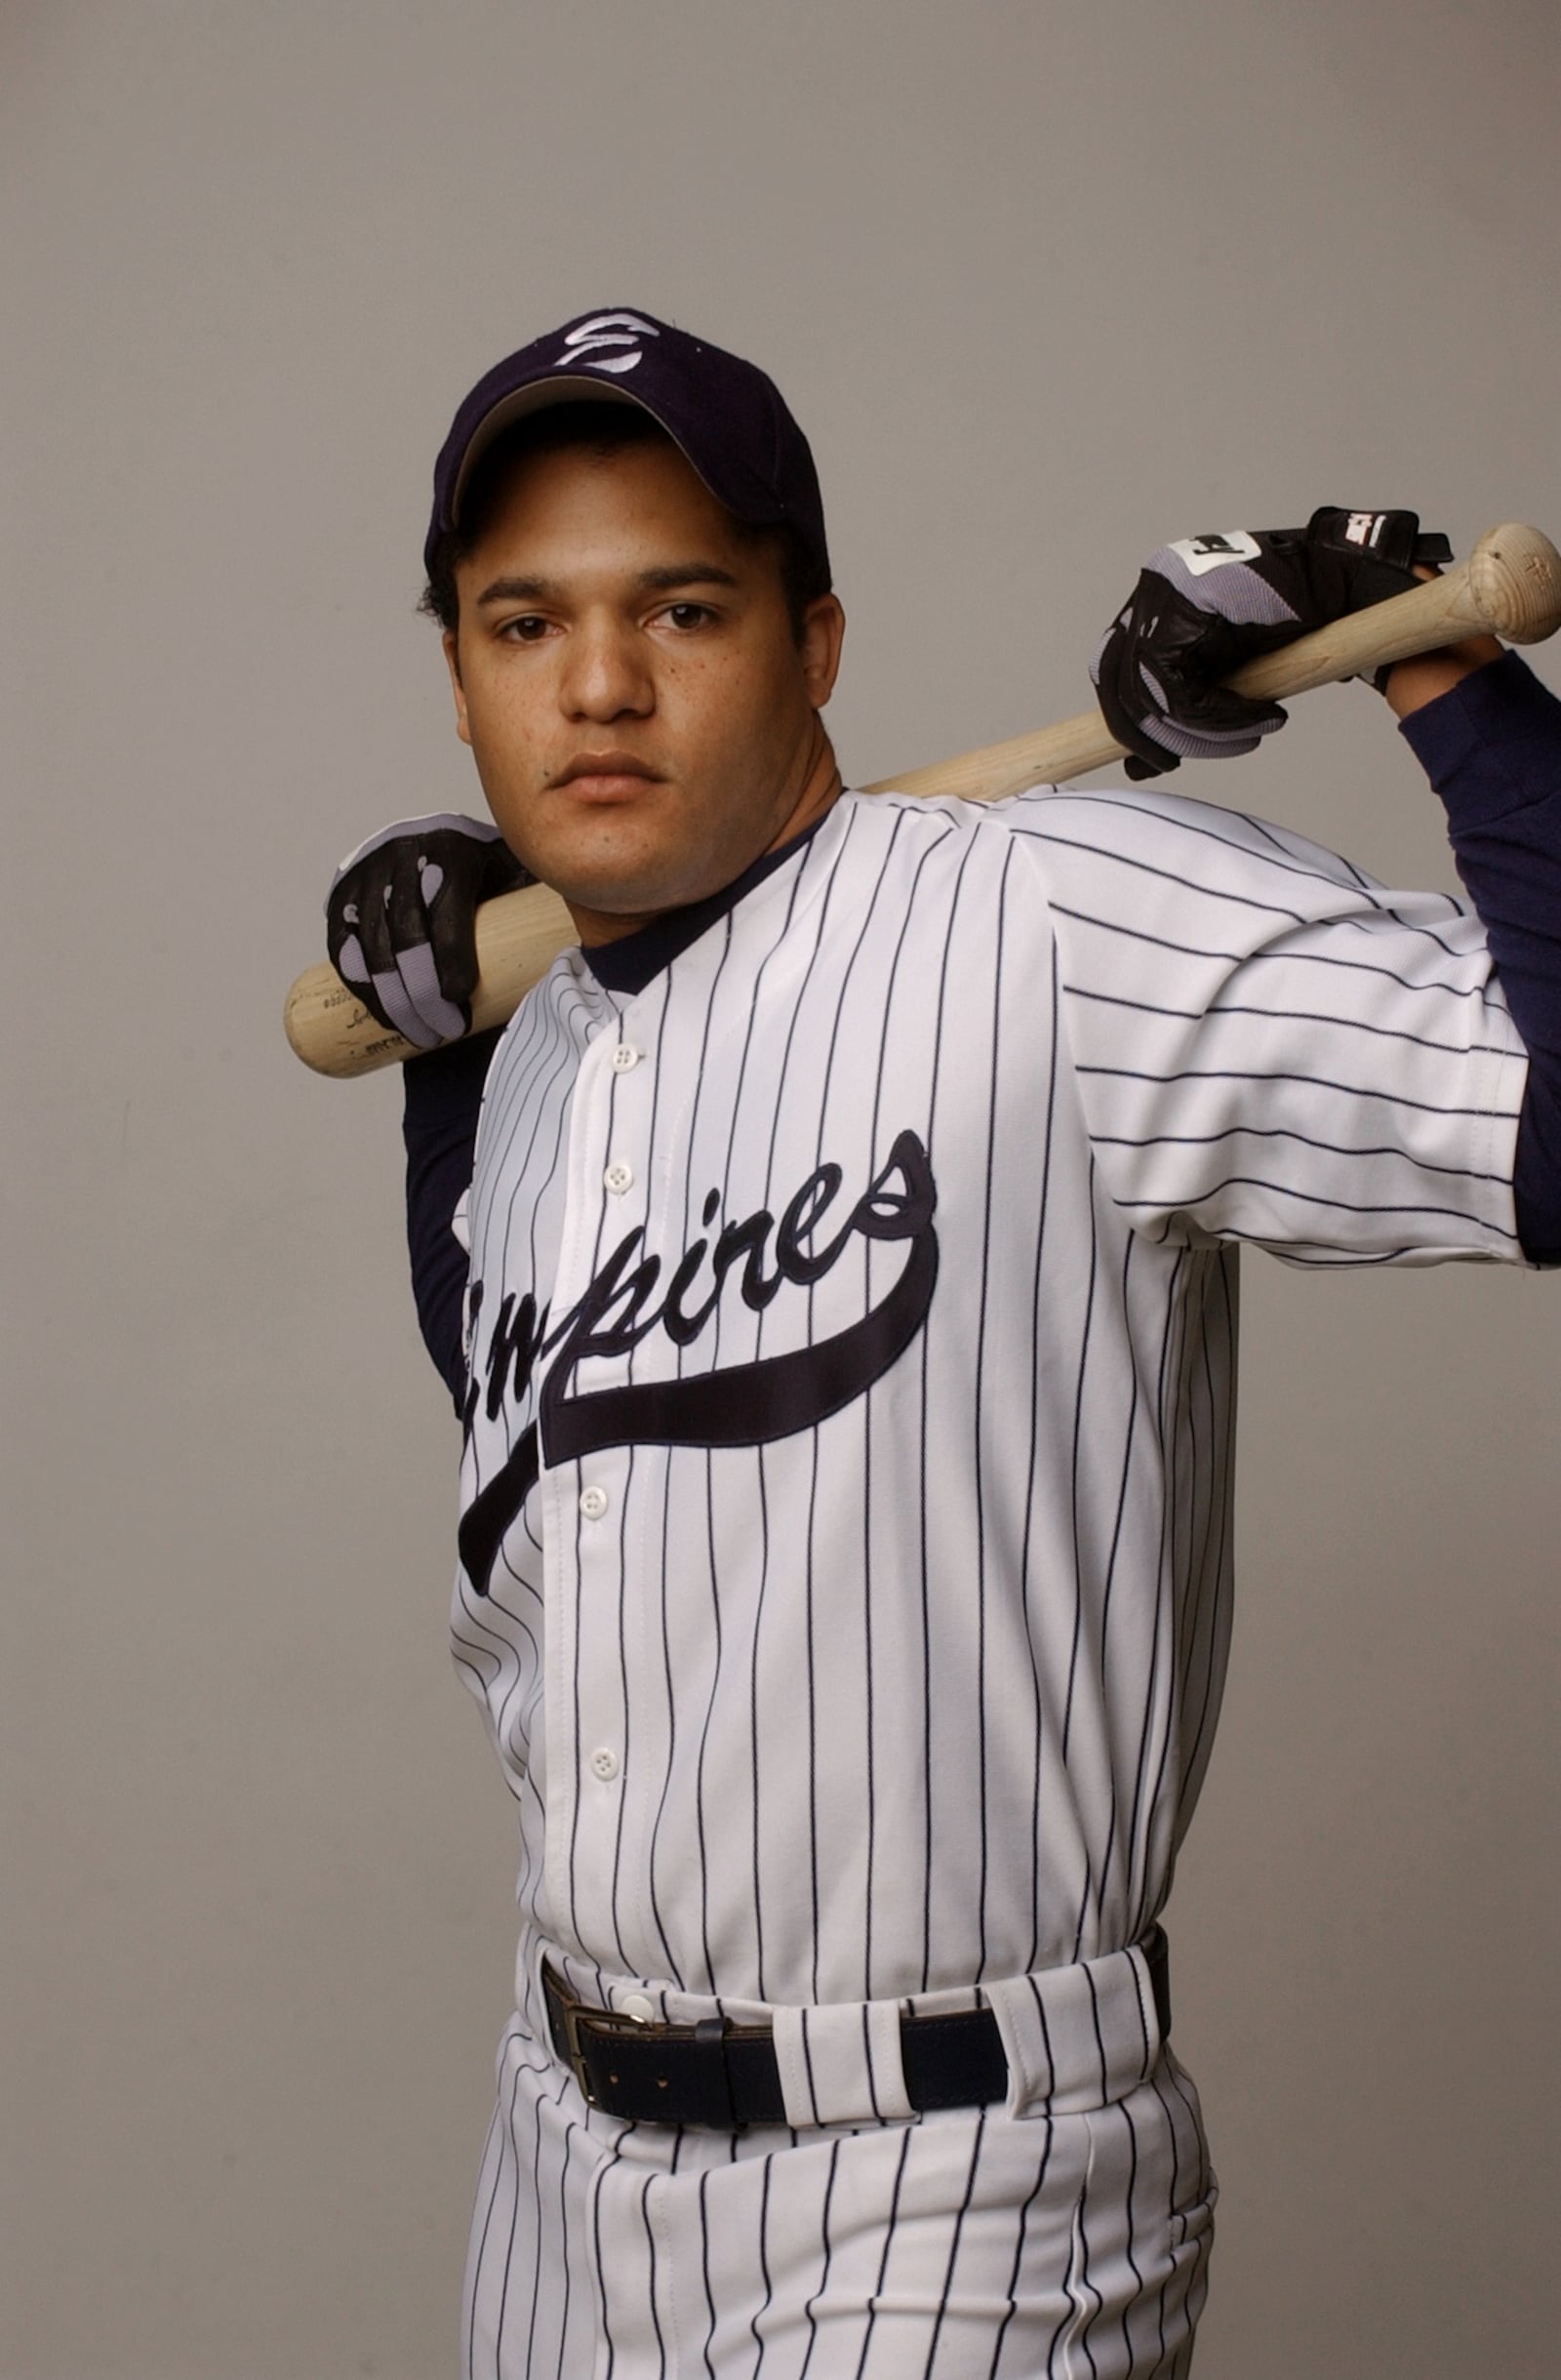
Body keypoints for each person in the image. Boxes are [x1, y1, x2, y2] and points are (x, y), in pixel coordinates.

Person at [324, 306, 1560, 2379]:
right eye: (522, 622)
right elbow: (550, 1442)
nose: (599, 684)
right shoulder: (550, 1040)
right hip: (553, 2167)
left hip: (953, 2185)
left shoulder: (1056, 913)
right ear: (458, 678)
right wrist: (449, 1077)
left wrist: (1427, 659)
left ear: (814, 643)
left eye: (679, 609)